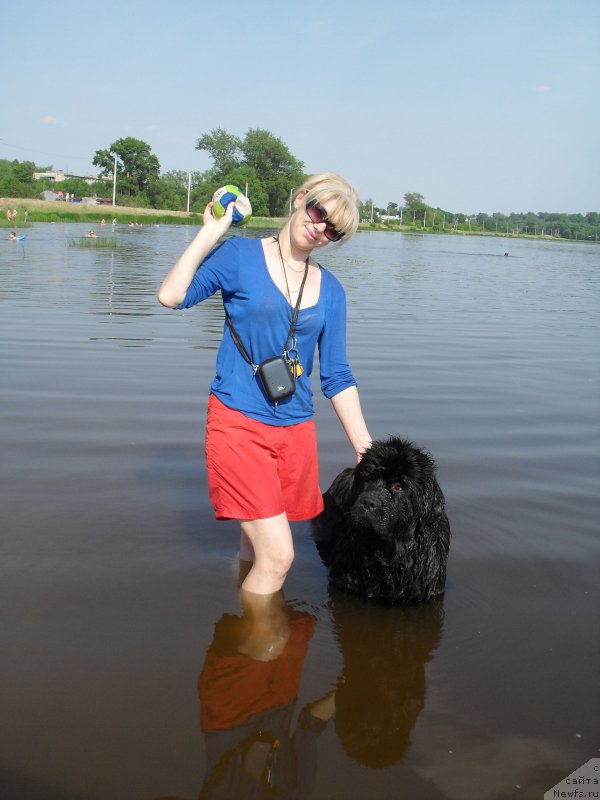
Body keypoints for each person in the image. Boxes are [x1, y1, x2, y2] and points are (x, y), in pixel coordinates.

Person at [157, 173, 372, 596]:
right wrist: (212, 231)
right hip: (237, 421)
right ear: (299, 200)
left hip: (295, 430)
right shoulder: (239, 255)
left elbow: (337, 376)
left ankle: (241, 619)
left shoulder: (332, 291)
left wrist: (366, 450)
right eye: (318, 212)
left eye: (334, 229)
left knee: (257, 545)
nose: (320, 228)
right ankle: (257, 652)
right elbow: (172, 295)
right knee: (279, 558)